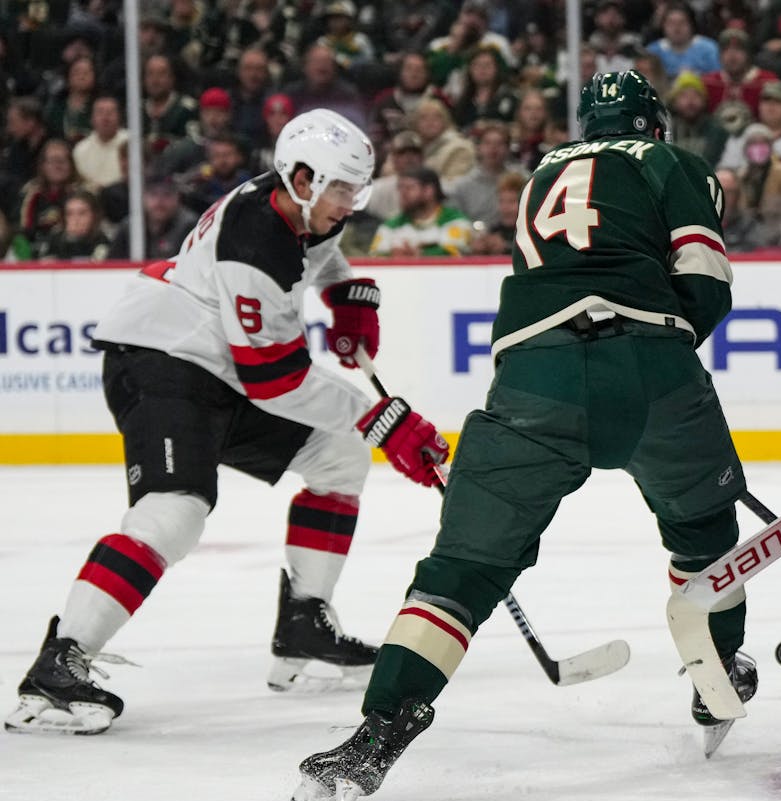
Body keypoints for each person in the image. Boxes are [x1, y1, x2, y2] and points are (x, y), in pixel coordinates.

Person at [293, 71, 752, 801]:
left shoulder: (545, 171)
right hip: (650, 368)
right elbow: (703, 285)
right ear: (654, 124)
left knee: (461, 569)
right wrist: (665, 366)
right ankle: (719, 667)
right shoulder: (673, 163)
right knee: (703, 529)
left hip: (533, 374)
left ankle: (377, 734)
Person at [4, 109, 450, 736]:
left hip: (221, 371)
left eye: (356, 189)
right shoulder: (254, 245)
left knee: (338, 459)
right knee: (174, 511)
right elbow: (276, 380)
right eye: (342, 190)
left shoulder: (299, 204)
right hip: (163, 360)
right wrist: (380, 417)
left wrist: (344, 295)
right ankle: (59, 664)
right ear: (302, 177)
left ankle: (302, 625)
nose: (350, 205)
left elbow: (320, 257)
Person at [369, 167, 476, 256]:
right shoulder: (391, 226)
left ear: (429, 191)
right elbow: (375, 256)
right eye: (400, 188)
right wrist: (395, 256)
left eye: (409, 188)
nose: (402, 194)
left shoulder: (455, 221)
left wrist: (420, 255)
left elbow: (455, 254)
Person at [646, 2, 720, 77]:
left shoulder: (709, 49)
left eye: (682, 22)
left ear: (692, 24)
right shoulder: (653, 52)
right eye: (671, 23)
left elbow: (717, 78)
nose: (677, 28)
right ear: (663, 25)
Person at [35, 190, 111, 261]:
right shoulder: (54, 240)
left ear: (94, 216)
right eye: (69, 214)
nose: (75, 219)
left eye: (82, 213)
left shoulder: (103, 243)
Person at [72, 95, 127, 189]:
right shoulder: (80, 149)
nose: (105, 118)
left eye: (110, 113)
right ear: (92, 119)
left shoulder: (132, 143)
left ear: (119, 117)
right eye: (100, 112)